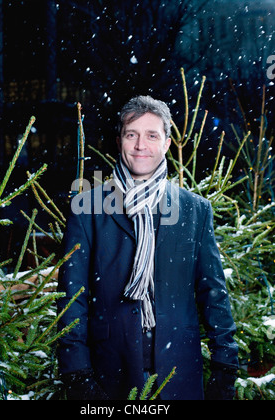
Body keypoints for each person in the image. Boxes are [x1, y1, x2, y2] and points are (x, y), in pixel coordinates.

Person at [57, 95, 239, 400]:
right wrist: (77, 373)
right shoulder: (87, 207)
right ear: (120, 141)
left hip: (178, 367)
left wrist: (225, 364)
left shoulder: (194, 210)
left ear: (167, 143)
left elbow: (213, 291)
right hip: (110, 369)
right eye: (132, 134)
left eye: (152, 135)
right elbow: (72, 296)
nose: (141, 145)